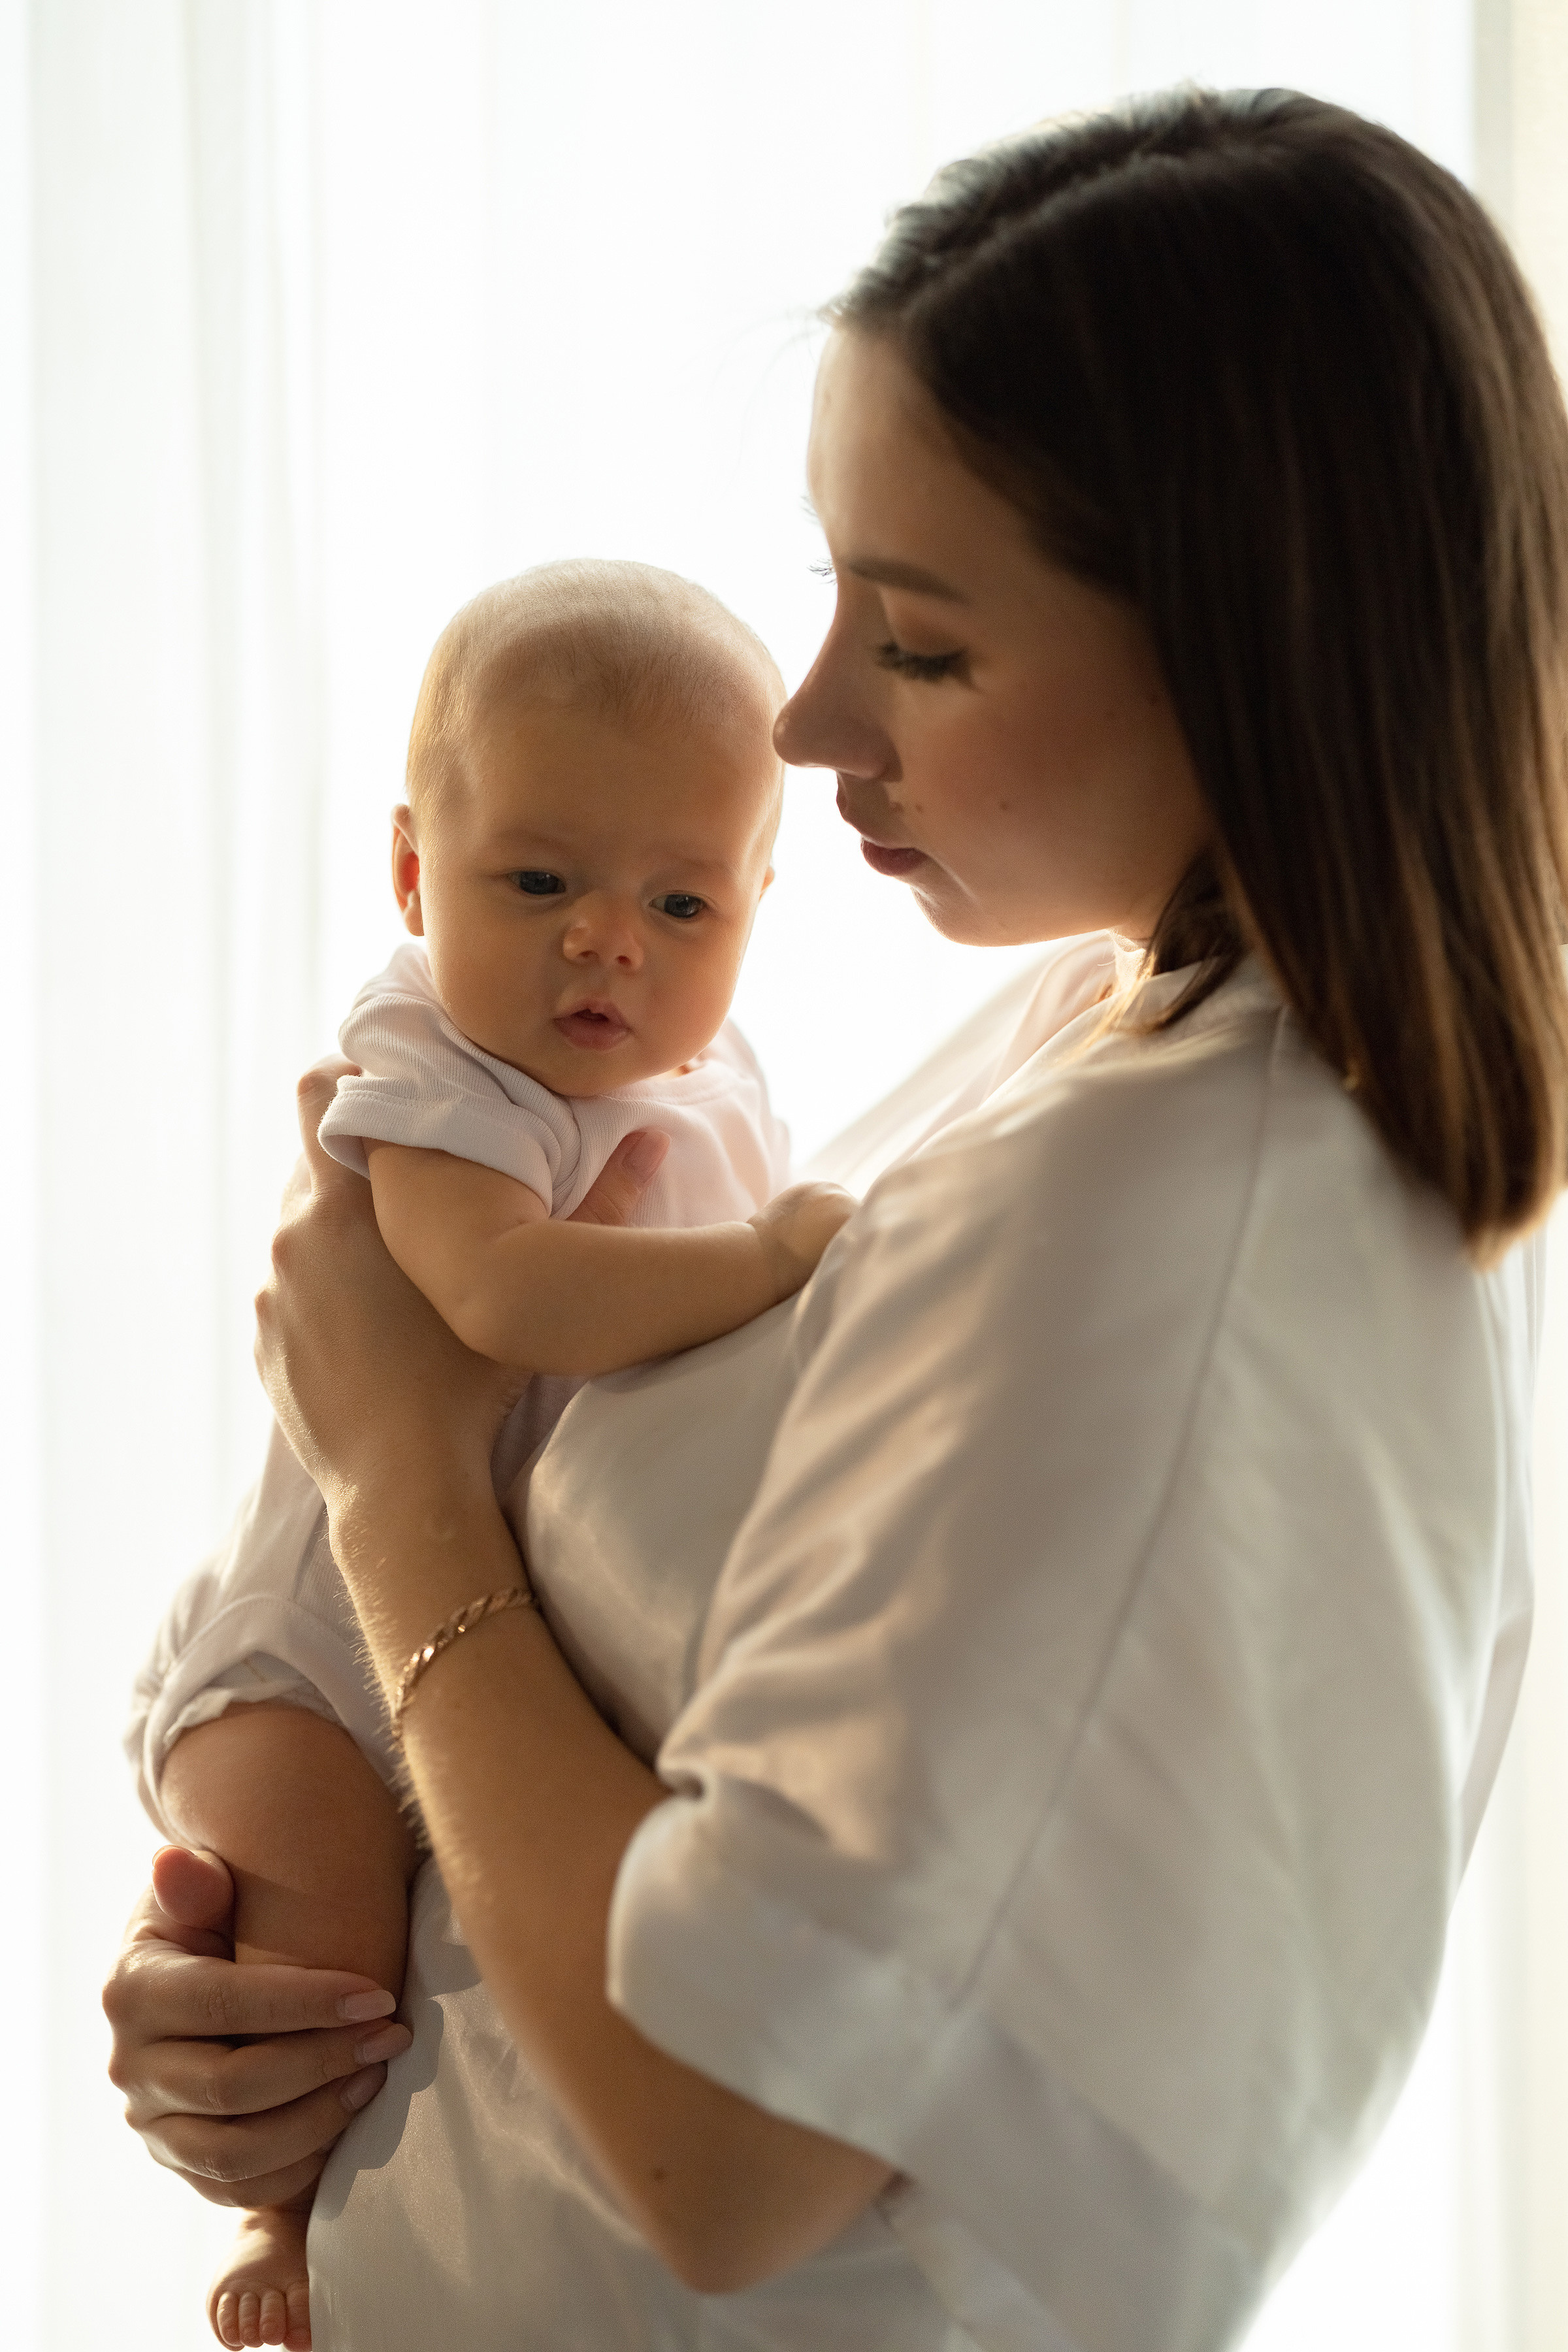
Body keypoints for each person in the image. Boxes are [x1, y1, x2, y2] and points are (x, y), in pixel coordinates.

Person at [105, 86, 1568, 2352]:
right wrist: (286, 1996)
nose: (798, 725)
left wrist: (396, 1483)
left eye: (922, 641)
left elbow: (728, 2148)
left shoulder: (1170, 1233)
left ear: (1255, 651)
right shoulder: (1090, 1043)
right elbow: (692, 1771)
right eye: (832, 602)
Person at [126, 557, 853, 2347]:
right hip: (309, 1652)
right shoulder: (444, 1065)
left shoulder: (716, 1078)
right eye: (537, 881)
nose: (609, 940)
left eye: (685, 903)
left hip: (457, 1606)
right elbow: (502, 1295)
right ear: (410, 874)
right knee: (312, 1966)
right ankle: (282, 2224)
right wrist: (769, 1265)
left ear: (763, 900)